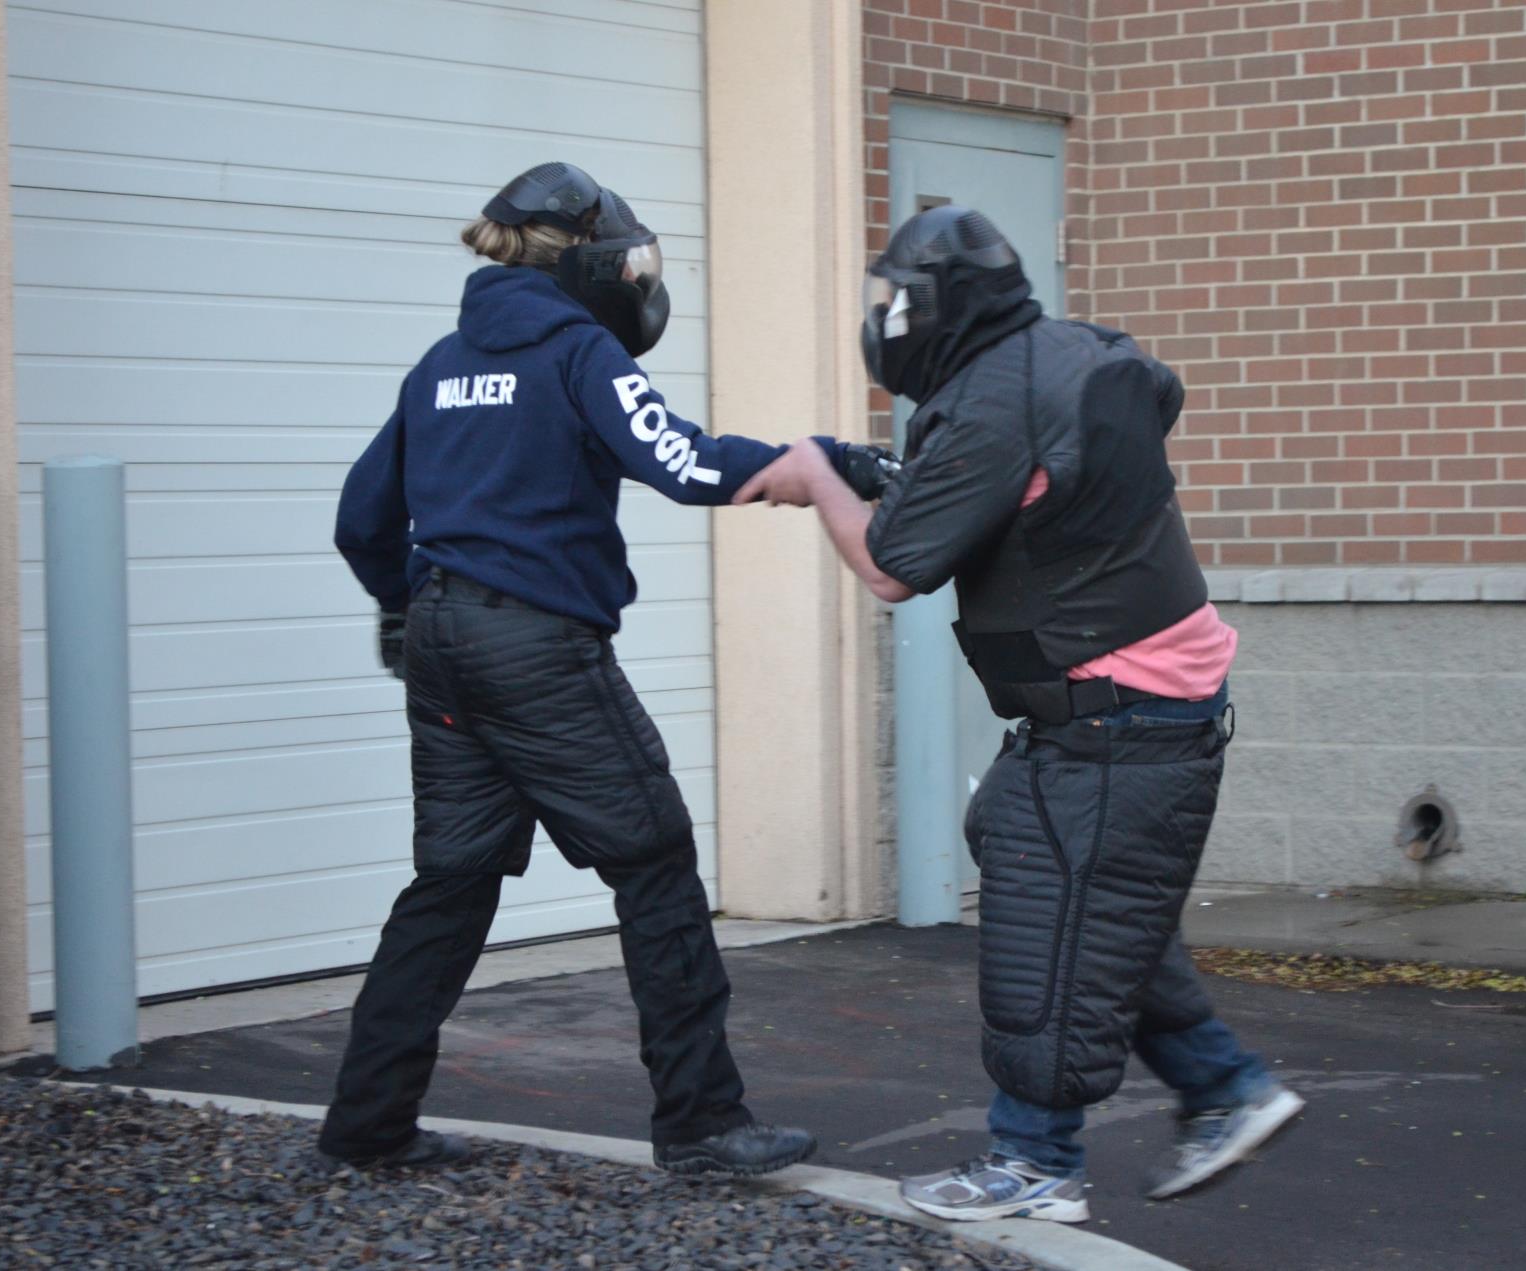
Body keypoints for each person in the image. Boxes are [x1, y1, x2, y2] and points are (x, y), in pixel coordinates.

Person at [737, 206, 1304, 1220]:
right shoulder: (1059, 356)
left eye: (893, 301)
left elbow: (892, 567)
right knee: (1049, 871)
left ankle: (1034, 1163)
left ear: (935, 305)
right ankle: (1224, 1085)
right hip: (1134, 707)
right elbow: (1042, 481)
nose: (884, 319)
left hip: (1119, 715)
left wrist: (819, 477)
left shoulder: (991, 401)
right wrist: (876, 473)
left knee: (1051, 924)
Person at [324, 162, 885, 1175]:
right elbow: (681, 461)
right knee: (656, 863)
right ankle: (705, 1124)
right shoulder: (577, 350)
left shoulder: (440, 365)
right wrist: (828, 460)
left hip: (444, 643)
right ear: (592, 263)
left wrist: (405, 609)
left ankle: (366, 1123)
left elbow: (361, 519)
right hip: (535, 646)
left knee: (448, 883)